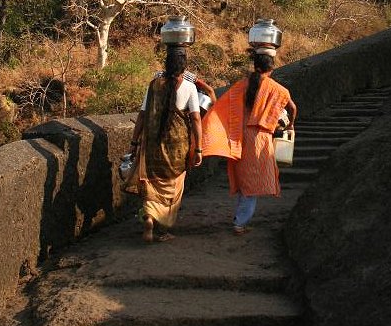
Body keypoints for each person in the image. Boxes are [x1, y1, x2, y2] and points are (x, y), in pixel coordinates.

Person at [202, 47, 297, 235]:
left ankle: (239, 219)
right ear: (271, 69)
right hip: (259, 139)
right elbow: (292, 108)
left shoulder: (240, 86)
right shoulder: (277, 89)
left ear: (255, 66)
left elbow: (221, 107)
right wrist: (290, 125)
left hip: (239, 137)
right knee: (251, 185)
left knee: (244, 182)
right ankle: (240, 223)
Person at [123, 46, 208, 243]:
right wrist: (199, 148)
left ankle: (150, 218)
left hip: (153, 145)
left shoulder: (154, 85)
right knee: (174, 185)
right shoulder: (189, 88)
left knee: (151, 182)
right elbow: (196, 119)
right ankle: (162, 227)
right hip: (177, 148)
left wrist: (134, 142)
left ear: (166, 65)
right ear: (184, 68)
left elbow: (143, 116)